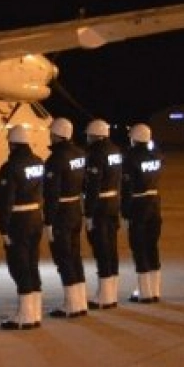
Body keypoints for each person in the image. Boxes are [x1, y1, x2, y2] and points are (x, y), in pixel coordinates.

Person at [0, 125, 45, 329]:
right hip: (35, 216)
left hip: (18, 220)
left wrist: (3, 227)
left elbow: (6, 199)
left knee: (19, 266)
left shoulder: (10, 167)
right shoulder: (38, 161)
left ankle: (25, 315)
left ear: (12, 143)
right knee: (32, 264)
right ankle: (35, 311)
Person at [45, 117, 89, 318]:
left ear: (57, 135)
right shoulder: (80, 153)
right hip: (75, 209)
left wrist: (49, 220)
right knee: (75, 255)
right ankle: (80, 301)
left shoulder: (55, 159)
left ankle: (71, 304)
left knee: (63, 257)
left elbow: (51, 194)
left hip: (61, 212)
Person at [83, 119, 123, 310]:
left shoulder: (96, 154)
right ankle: (112, 292)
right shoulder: (115, 150)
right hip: (114, 202)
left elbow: (93, 186)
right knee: (112, 248)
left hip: (100, 206)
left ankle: (104, 296)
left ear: (94, 135)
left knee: (101, 249)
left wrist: (88, 213)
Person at [121, 123, 163, 304]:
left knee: (139, 247)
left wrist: (125, 211)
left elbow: (127, 187)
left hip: (138, 205)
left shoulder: (130, 157)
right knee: (152, 246)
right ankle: (155, 290)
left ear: (135, 138)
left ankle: (145, 292)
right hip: (155, 203)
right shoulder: (157, 155)